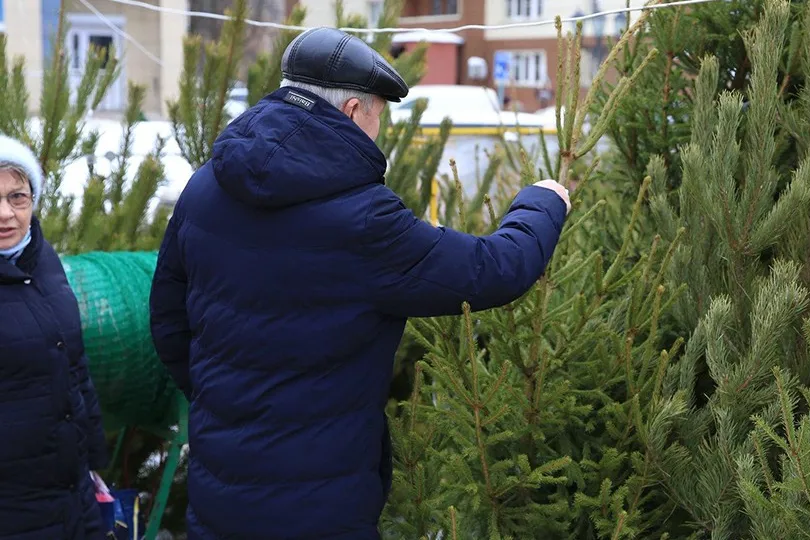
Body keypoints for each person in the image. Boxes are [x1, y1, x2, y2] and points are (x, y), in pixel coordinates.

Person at [149, 27, 571, 539]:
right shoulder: (363, 219)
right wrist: (543, 202)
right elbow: (493, 269)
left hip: (219, 491)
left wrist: (228, 404)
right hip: (321, 505)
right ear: (352, 111)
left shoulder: (204, 186)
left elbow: (168, 321)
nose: (378, 131)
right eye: (378, 116)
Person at [0, 135, 110, 539]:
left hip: (72, 492)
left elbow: (73, 364)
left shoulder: (42, 259)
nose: (5, 214)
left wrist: (92, 459)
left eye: (17, 197)